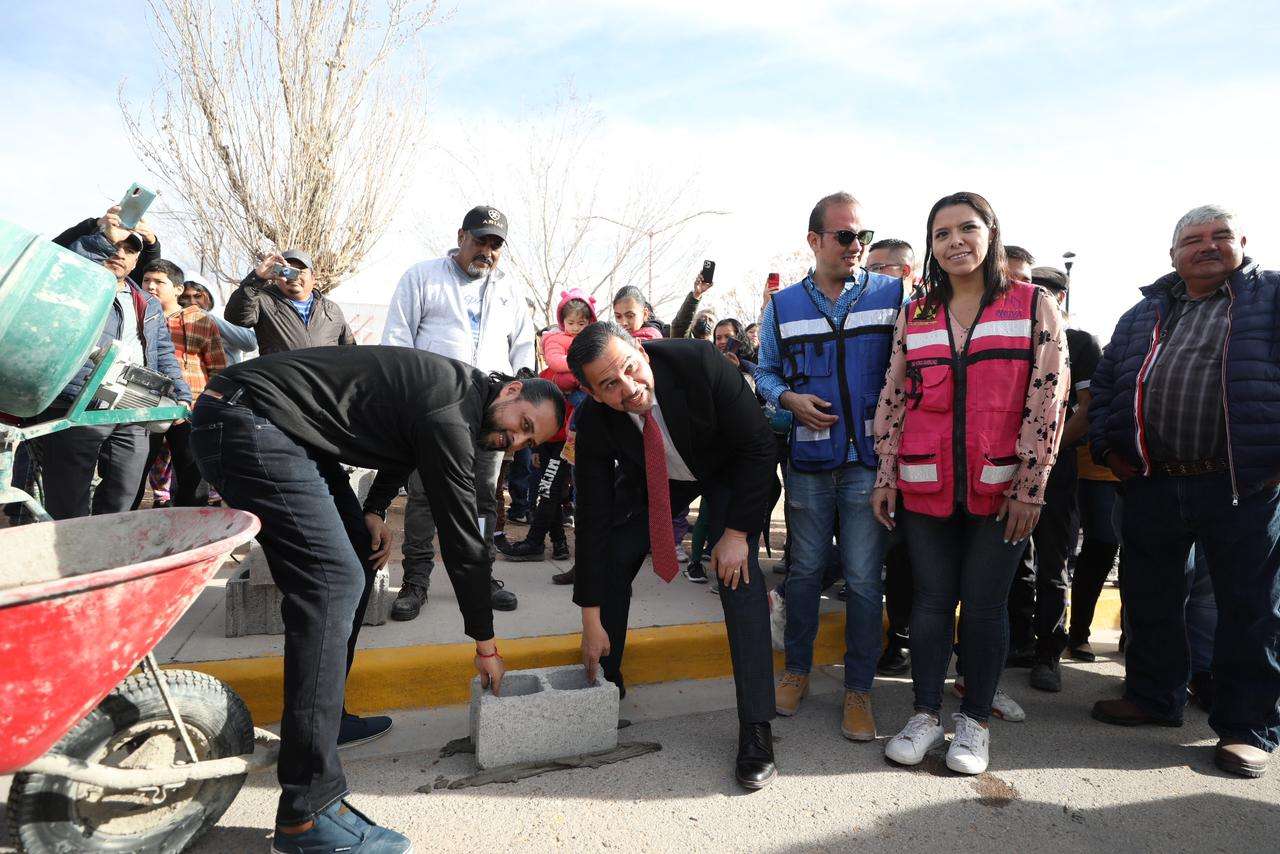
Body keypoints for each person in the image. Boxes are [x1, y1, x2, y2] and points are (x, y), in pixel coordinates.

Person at [190, 346, 564, 852]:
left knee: (357, 569)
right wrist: (485, 642)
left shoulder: (459, 399)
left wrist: (373, 510)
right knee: (332, 581)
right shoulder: (452, 412)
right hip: (247, 418)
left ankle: (327, 723)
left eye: (525, 441)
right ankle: (307, 814)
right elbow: (462, 544)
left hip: (279, 426)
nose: (513, 440)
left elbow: (400, 446)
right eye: (521, 423)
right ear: (514, 389)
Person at [872, 191, 1068, 775]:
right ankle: (925, 712)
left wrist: (1030, 485)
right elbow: (893, 397)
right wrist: (886, 474)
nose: (955, 241)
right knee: (930, 603)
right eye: (941, 234)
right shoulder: (917, 312)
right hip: (924, 484)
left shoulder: (1033, 304)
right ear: (931, 246)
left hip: (1001, 490)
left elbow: (1048, 398)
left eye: (967, 228)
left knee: (984, 608)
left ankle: (974, 722)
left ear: (990, 234)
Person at [1087, 204, 1280, 780]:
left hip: (1243, 483)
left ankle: (1248, 728)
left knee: (1251, 607)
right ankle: (1153, 697)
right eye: (1192, 240)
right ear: (1172, 255)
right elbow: (1109, 386)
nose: (1207, 246)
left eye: (1220, 236)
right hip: (1154, 479)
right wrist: (1107, 449)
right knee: (1151, 597)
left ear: (1242, 242)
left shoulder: (1269, 298)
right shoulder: (1143, 312)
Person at [568, 322, 778, 789]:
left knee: (736, 576)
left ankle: (756, 729)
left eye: (629, 368)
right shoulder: (597, 422)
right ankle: (605, 679)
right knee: (616, 556)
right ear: (593, 395)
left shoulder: (698, 361)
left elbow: (760, 446)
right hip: (665, 481)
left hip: (733, 473)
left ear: (641, 349)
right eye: (609, 385)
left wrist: (737, 533)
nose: (628, 388)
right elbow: (594, 518)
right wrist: (589, 616)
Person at [754, 191, 903, 743]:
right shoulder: (782, 306)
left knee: (865, 582)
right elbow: (765, 374)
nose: (856, 246)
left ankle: (859, 689)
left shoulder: (893, 296)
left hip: (868, 463)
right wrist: (786, 400)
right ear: (814, 241)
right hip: (810, 464)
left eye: (862, 235)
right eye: (844, 236)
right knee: (804, 573)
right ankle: (795, 670)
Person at [382, 206, 535, 619]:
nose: (487, 250)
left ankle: (480, 574)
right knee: (424, 496)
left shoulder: (508, 289)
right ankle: (416, 580)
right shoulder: (422, 277)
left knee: (485, 498)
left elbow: (523, 344)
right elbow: (397, 339)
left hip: (488, 413)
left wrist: (520, 383)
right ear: (461, 236)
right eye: (480, 240)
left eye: (495, 244)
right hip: (432, 410)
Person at [36, 207, 192, 520]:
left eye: (130, 249)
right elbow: (58, 258)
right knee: (69, 492)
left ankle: (111, 549)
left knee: (125, 488)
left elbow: (162, 351)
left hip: (134, 406)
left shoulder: (146, 301)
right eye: (116, 246)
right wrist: (102, 235)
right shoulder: (80, 286)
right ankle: (71, 554)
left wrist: (181, 393)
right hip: (79, 400)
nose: (121, 253)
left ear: (138, 260)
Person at [1011, 265, 1104, 692]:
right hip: (1003, 468)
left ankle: (1049, 652)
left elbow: (1087, 411)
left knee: (1053, 565)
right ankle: (1017, 642)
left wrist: (1042, 452)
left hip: (1056, 472)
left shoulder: (1080, 343)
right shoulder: (1008, 336)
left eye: (1045, 291)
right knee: (1012, 562)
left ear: (1060, 297)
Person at [499, 289, 596, 569]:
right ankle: (559, 544)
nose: (575, 329)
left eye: (581, 323)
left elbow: (576, 388)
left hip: (568, 439)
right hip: (548, 439)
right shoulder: (551, 366)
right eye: (570, 323)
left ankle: (535, 541)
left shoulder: (588, 358)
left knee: (547, 489)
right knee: (545, 488)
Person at [866, 238, 922, 675]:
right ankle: (898, 635)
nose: (874, 277)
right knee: (894, 553)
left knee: (915, 552)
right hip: (876, 452)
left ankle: (909, 635)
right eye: (871, 268)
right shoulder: (862, 315)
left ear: (907, 272)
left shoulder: (931, 314)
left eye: (884, 268)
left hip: (924, 451)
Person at [132, 259, 227, 509]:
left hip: (190, 407)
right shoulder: (136, 316)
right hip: (145, 406)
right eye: (146, 280)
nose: (151, 286)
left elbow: (217, 366)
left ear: (177, 289)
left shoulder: (200, 321)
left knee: (191, 471)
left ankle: (191, 523)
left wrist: (214, 406)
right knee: (136, 468)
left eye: (159, 282)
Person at [225, 250, 356, 354]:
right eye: (287, 270)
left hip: (321, 385)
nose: (294, 277)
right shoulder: (263, 301)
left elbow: (350, 351)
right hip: (280, 385)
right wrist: (257, 278)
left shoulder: (331, 310)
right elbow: (236, 316)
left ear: (313, 278)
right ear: (277, 275)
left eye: (300, 271)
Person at [183, 279, 259, 364]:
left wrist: (204, 316)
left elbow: (250, 344)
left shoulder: (226, 315)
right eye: (186, 297)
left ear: (208, 297)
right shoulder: (179, 322)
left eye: (198, 296)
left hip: (226, 374)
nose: (192, 302)